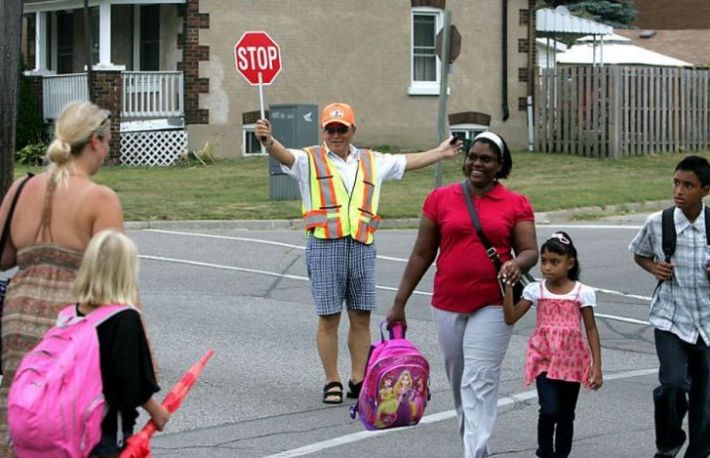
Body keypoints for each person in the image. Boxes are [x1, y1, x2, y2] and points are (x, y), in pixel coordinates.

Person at [254, 102, 461, 404]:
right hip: (325, 245)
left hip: (361, 246)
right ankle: (332, 380)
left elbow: (406, 161)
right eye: (330, 129)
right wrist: (268, 141)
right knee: (328, 318)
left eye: (342, 128)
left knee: (361, 316)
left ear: (353, 130)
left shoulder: (370, 160)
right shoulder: (308, 159)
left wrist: (440, 152)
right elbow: (283, 155)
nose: (336, 134)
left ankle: (359, 377)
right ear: (323, 130)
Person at [386, 131, 538, 457]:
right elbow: (421, 254)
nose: (477, 164)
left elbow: (529, 251)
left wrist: (514, 262)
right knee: (460, 385)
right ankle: (475, 447)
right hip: (447, 303)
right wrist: (399, 302)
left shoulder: (516, 203)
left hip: (494, 304)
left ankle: (474, 453)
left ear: (500, 165)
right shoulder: (439, 198)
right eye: (473, 157)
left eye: (486, 159)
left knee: (479, 381)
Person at [0, 100, 124, 454]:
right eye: (109, 140)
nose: (108, 149)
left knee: (23, 401)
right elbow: (116, 287)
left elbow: (5, 256)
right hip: (71, 323)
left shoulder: (21, 189)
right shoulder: (101, 199)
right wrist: (139, 353)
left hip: (17, 316)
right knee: (68, 415)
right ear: (96, 142)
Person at [629, 155, 710, 458]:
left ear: (705, 190)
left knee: (705, 402)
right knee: (673, 385)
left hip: (707, 324)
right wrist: (653, 268)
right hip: (670, 320)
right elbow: (638, 252)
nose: (679, 190)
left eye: (688, 185)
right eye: (676, 183)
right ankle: (669, 442)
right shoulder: (659, 222)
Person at [503, 231, 603, 458]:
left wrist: (596, 366)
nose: (547, 267)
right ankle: (545, 451)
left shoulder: (582, 292)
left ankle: (561, 454)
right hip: (544, 359)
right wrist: (509, 289)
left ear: (569, 263)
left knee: (566, 415)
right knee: (549, 410)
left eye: (554, 262)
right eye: (544, 261)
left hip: (572, 361)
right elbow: (510, 318)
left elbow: (590, 329)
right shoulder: (535, 290)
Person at [71, 230, 168, 457]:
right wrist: (157, 412)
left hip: (72, 424)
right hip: (105, 427)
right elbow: (129, 381)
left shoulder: (73, 313)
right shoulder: (124, 318)